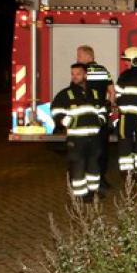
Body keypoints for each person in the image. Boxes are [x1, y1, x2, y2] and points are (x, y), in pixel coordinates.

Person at [51, 63, 107, 201]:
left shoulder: (94, 93)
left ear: (85, 75)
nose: (75, 77)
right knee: (78, 166)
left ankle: (93, 192)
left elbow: (103, 110)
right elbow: (56, 111)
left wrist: (100, 120)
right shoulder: (65, 94)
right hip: (76, 138)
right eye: (73, 74)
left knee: (94, 166)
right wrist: (67, 122)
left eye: (78, 74)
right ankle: (80, 195)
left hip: (94, 137)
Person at [76, 45, 115, 187]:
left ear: (88, 56)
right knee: (102, 148)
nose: (77, 58)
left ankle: (88, 179)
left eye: (79, 56)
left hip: (85, 116)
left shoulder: (81, 72)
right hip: (100, 115)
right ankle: (101, 179)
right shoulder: (103, 70)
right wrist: (109, 107)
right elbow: (112, 91)